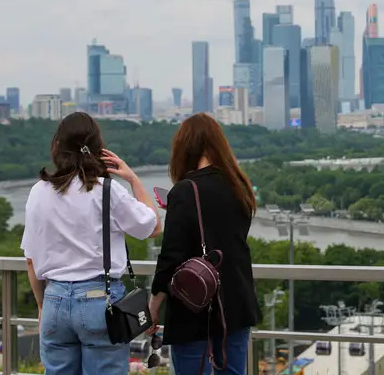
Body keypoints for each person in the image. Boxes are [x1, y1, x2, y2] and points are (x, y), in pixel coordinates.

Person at [21, 112, 162, 375]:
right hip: (100, 301)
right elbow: (153, 227)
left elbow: (31, 259)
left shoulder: (38, 192)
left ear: (57, 146)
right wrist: (133, 179)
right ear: (98, 149)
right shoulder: (105, 190)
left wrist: (42, 305)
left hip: (54, 300)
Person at [150, 113, 261, 375]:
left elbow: (171, 256)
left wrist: (154, 304)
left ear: (185, 147)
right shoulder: (239, 185)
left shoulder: (185, 190)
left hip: (194, 308)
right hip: (235, 304)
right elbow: (225, 234)